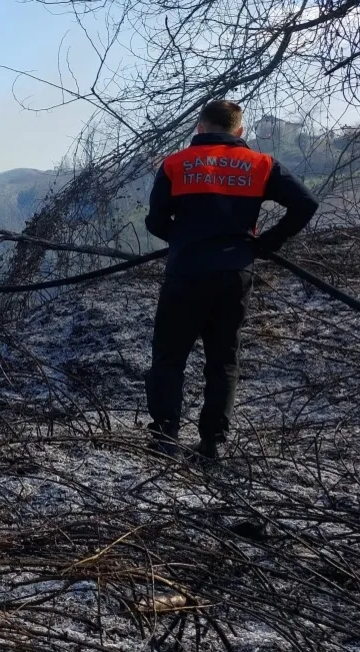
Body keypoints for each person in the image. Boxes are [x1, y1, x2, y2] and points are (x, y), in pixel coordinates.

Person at [144, 100, 319, 460]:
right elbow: (306, 204)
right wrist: (269, 241)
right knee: (223, 359)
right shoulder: (261, 165)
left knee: (169, 357)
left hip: (186, 272)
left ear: (200, 128)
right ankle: (211, 445)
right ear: (239, 132)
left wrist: (182, 239)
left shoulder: (175, 164)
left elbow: (156, 222)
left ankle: (165, 440)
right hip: (235, 274)